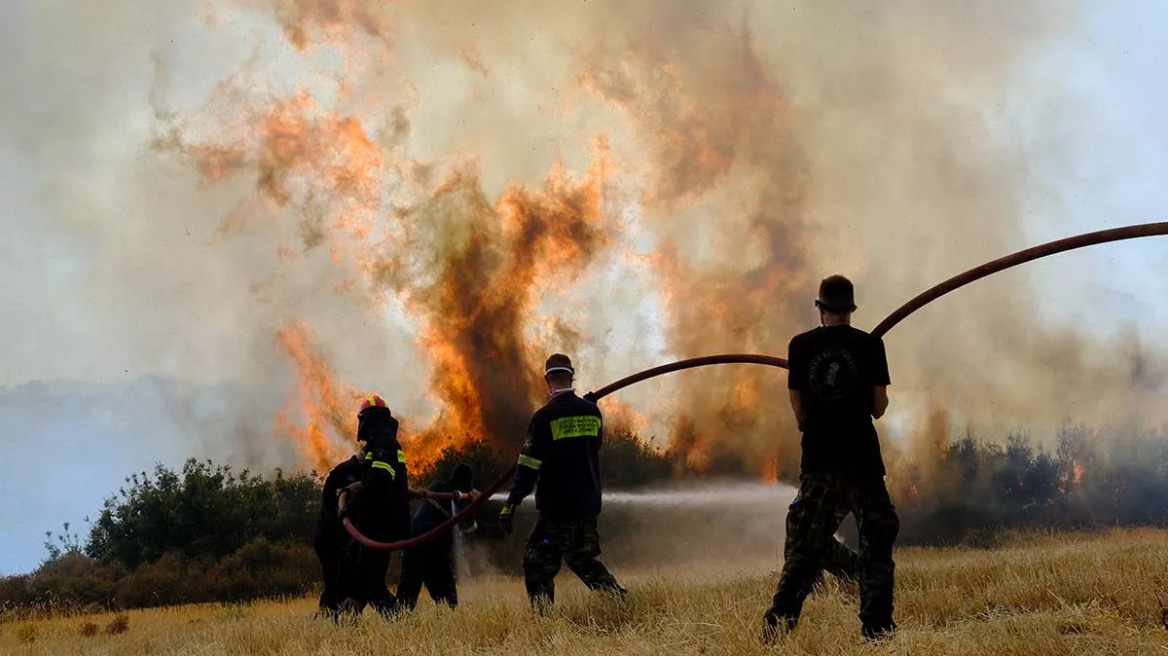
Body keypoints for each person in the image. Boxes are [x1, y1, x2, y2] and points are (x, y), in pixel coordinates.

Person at [764, 275, 900, 642]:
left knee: (804, 547)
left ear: (820, 309)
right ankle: (878, 631)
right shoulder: (871, 345)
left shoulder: (800, 345)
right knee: (876, 543)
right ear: (851, 310)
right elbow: (879, 408)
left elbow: (799, 408)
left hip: (820, 461)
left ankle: (778, 627)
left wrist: (811, 420)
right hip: (863, 462)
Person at [498, 353, 626, 609]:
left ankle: (544, 622)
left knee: (537, 562)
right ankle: (619, 601)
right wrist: (584, 407)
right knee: (582, 558)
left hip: (558, 508)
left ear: (547, 380)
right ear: (571, 376)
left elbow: (527, 467)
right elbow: (593, 446)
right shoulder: (592, 412)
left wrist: (511, 502)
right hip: (588, 505)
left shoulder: (543, 418)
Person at [335, 394, 412, 618]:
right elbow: (371, 481)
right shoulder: (378, 445)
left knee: (369, 579)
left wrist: (349, 507)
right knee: (356, 566)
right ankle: (348, 615)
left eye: (363, 420)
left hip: (382, 523)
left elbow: (379, 481)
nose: (360, 426)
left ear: (372, 420)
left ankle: (397, 618)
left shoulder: (385, 445)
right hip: (373, 522)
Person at [396, 463, 480, 610]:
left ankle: (399, 627)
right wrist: (474, 504)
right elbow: (469, 528)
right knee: (448, 602)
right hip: (434, 554)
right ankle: (447, 626)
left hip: (412, 547)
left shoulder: (436, 486)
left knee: (405, 601)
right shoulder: (456, 501)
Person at [313, 451, 365, 618]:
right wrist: (347, 492)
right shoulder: (342, 472)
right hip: (330, 537)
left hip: (345, 538)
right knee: (336, 579)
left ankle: (331, 617)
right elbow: (330, 502)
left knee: (344, 580)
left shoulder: (365, 472)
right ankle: (332, 616)